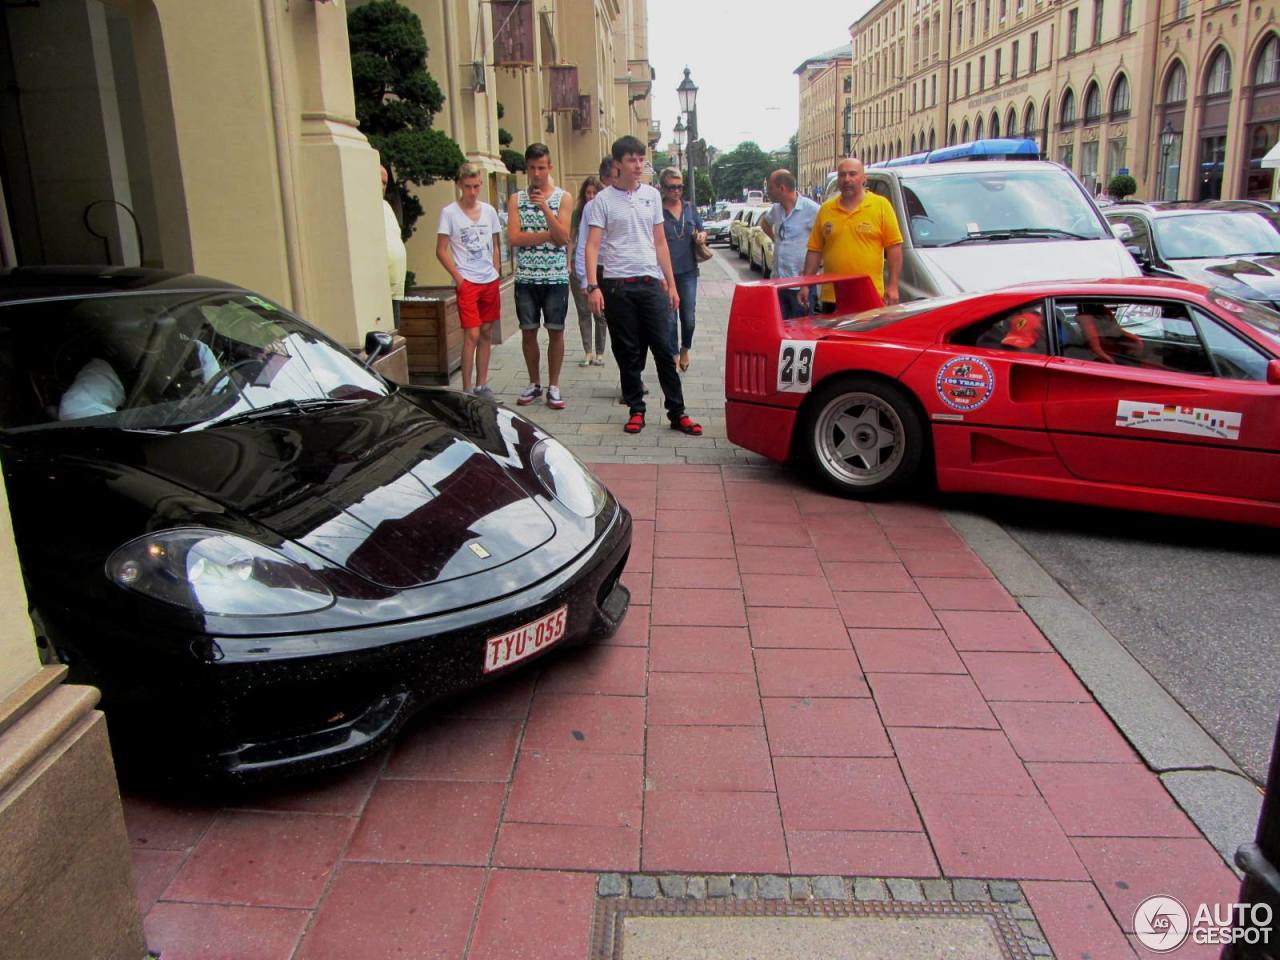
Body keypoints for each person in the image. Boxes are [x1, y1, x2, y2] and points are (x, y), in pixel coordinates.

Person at [585, 136, 702, 437]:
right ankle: (636, 409)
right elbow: (592, 245)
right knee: (628, 351)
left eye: (641, 159)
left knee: (664, 349)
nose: (638, 165)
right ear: (617, 164)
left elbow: (660, 242)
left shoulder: (651, 195)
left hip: (651, 283)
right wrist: (592, 286)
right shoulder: (603, 201)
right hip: (617, 285)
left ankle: (677, 412)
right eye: (632, 160)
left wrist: (672, 285)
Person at [507, 142, 572, 409]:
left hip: (555, 277)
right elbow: (514, 238)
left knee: (556, 332)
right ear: (527, 169)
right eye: (532, 168)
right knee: (528, 332)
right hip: (526, 277)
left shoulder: (563, 198)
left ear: (550, 168)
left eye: (541, 168)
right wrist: (548, 236)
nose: (537, 174)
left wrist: (545, 208)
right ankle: (534, 382)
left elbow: (564, 238)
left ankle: (553, 386)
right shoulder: (516, 200)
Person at [800, 157, 903, 312]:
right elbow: (815, 251)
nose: (847, 179)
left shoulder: (881, 206)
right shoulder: (826, 209)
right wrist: (806, 285)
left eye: (852, 174)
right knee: (834, 336)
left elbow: (894, 248)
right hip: (833, 297)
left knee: (864, 337)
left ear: (864, 179)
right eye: (842, 175)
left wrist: (893, 285)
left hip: (869, 295)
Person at [435, 162, 503, 396]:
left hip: (489, 279)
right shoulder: (450, 213)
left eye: (476, 186)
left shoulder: (489, 211)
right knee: (471, 333)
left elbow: (495, 243)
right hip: (468, 280)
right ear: (459, 185)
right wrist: (458, 277)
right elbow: (441, 249)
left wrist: (496, 269)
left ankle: (482, 383)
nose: (472, 192)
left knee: (486, 331)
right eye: (467, 187)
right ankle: (467, 387)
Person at [658, 167, 705, 373]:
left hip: (687, 271)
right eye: (671, 188)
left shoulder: (690, 208)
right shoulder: (657, 210)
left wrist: (702, 236)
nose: (676, 191)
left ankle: (685, 347)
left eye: (679, 187)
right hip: (665, 273)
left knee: (689, 317)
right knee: (669, 319)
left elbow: (702, 229)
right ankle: (674, 355)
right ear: (663, 188)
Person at [759, 168, 820, 320]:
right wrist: (775, 239)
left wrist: (818, 263)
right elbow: (764, 223)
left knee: (801, 330)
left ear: (782, 188)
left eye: (770, 188)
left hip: (800, 285)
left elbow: (824, 239)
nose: (768, 192)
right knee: (780, 330)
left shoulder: (811, 210)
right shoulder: (776, 209)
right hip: (778, 283)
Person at [569, 175, 607, 367]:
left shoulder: (604, 208)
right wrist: (571, 264)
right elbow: (576, 241)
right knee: (583, 312)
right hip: (580, 267)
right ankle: (588, 351)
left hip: (601, 268)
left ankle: (600, 352)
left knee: (600, 313)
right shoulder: (580, 212)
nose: (591, 196)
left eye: (595, 192)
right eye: (588, 193)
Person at [380, 165, 408, 328]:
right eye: (379, 182)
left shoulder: (386, 206)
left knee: (394, 332)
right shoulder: (364, 207)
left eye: (385, 183)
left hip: (396, 285)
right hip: (380, 287)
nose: (382, 187)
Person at [1076, 301, 1142, 363]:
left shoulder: (1104, 310)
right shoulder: (1085, 317)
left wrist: (1137, 341)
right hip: (1100, 356)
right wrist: (1111, 362)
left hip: (1114, 348)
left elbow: (1118, 330)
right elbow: (1096, 348)